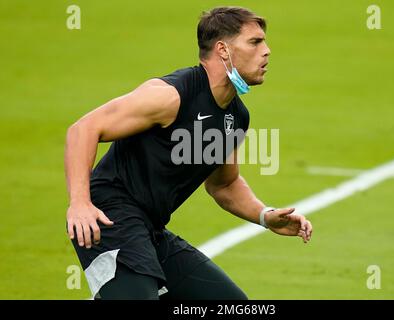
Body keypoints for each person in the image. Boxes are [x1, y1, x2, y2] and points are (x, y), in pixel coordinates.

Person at [64, 6, 313, 300]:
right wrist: (80, 203)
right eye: (255, 42)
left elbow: (224, 184)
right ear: (223, 49)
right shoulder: (170, 96)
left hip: (150, 229)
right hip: (108, 219)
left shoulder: (236, 117)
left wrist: (264, 215)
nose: (267, 51)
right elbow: (82, 130)